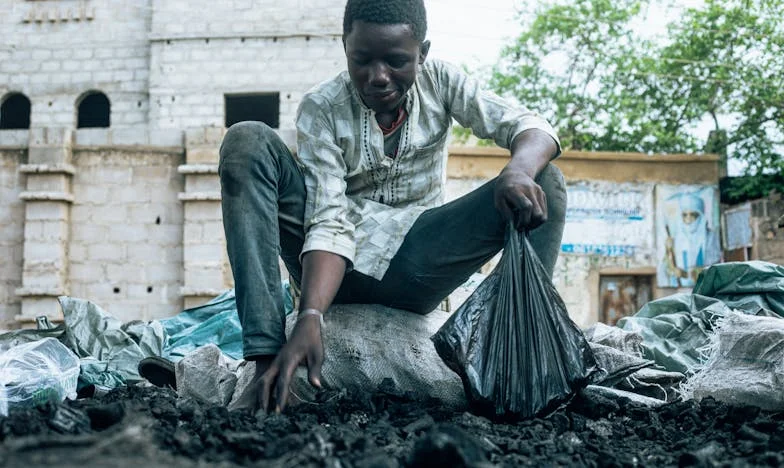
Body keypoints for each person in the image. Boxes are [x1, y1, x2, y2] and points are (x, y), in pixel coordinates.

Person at [218, 0, 565, 413]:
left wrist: (518, 171)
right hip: (331, 273)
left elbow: (530, 125)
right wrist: (310, 313)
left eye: (396, 61)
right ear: (345, 47)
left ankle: (513, 365)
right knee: (247, 140)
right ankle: (265, 368)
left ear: (423, 53)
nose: (378, 77)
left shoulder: (442, 83)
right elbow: (328, 218)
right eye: (361, 60)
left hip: (416, 268)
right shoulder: (322, 107)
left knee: (545, 182)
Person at [659, 192, 721, 287]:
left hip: (704, 289)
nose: (688, 218)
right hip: (679, 291)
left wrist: (687, 274)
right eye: (685, 215)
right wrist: (668, 252)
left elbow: (715, 267)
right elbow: (667, 268)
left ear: (700, 215)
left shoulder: (710, 237)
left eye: (693, 214)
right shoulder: (675, 239)